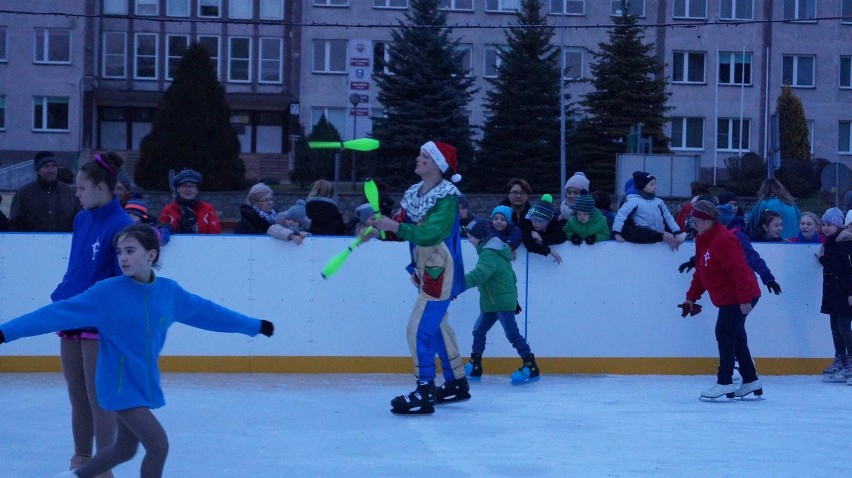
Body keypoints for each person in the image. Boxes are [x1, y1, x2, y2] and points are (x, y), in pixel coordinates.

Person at [0, 224, 274, 478]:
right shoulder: (107, 292)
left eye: (130, 251)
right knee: (159, 445)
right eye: (119, 252)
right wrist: (6, 331)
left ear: (151, 254)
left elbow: (209, 313)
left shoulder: (169, 292)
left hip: (142, 383)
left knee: (124, 450)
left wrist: (253, 325)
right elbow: (56, 313)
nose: (123, 258)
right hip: (117, 385)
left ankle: (75, 477)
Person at [366, 140, 469, 416]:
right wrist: (380, 230)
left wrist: (394, 226)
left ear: (437, 165)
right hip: (425, 268)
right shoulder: (415, 193)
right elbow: (402, 224)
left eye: (425, 156)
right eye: (420, 153)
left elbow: (430, 234)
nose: (419, 158)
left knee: (419, 328)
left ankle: (425, 389)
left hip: (440, 269)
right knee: (435, 327)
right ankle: (456, 382)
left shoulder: (447, 198)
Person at [52, 151, 135, 475]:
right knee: (78, 396)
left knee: (99, 397)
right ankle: (82, 458)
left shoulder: (122, 224)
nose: (77, 193)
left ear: (101, 188)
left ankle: (104, 464)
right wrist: (65, 292)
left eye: (81, 188)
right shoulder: (81, 218)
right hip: (72, 314)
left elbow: (123, 280)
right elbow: (77, 264)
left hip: (100, 324)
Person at [679, 200, 763, 400]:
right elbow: (701, 272)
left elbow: (740, 270)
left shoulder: (724, 240)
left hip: (740, 295)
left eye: (696, 219)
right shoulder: (703, 239)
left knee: (724, 334)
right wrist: (691, 297)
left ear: (707, 221)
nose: (693, 223)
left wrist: (744, 299)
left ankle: (724, 382)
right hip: (729, 297)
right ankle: (751, 380)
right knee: (736, 337)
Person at [461, 217, 539, 384]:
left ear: (480, 237)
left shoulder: (489, 253)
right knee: (478, 331)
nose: (469, 240)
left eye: (471, 236)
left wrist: (457, 285)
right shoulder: (492, 249)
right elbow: (512, 276)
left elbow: (480, 275)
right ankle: (475, 365)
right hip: (493, 302)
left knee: (512, 335)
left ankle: (530, 366)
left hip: (501, 302)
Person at [815, 208, 852, 384]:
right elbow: (833, 266)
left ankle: (851, 359)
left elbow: (849, 270)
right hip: (833, 293)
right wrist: (822, 260)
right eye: (823, 224)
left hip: (844, 294)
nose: (825, 228)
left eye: (829, 224)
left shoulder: (845, 244)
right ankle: (841, 359)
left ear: (838, 225)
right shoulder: (830, 244)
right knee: (835, 328)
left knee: (844, 328)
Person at [612, 171, 686, 250]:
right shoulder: (633, 201)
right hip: (643, 235)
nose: (655, 187)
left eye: (655, 184)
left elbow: (668, 218)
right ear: (642, 186)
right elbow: (621, 216)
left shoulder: (659, 202)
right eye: (651, 184)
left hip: (658, 236)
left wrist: (676, 232)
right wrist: (617, 233)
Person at [9, 150, 81, 232]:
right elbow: (14, 223)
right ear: (37, 170)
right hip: (32, 242)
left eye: (53, 166)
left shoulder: (69, 193)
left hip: (64, 242)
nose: (51, 170)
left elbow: (80, 219)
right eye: (46, 166)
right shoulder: (24, 194)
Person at [158, 169, 221, 234]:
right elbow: (160, 231)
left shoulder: (208, 209)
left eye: (192, 186)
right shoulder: (168, 210)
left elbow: (215, 233)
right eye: (184, 185)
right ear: (178, 189)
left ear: (197, 190)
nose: (188, 189)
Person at [519, 194, 565, 264]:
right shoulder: (527, 223)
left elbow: (562, 237)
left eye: (541, 221)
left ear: (548, 221)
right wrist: (549, 251)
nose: (537, 224)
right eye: (535, 220)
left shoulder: (553, 223)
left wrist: (542, 239)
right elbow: (530, 245)